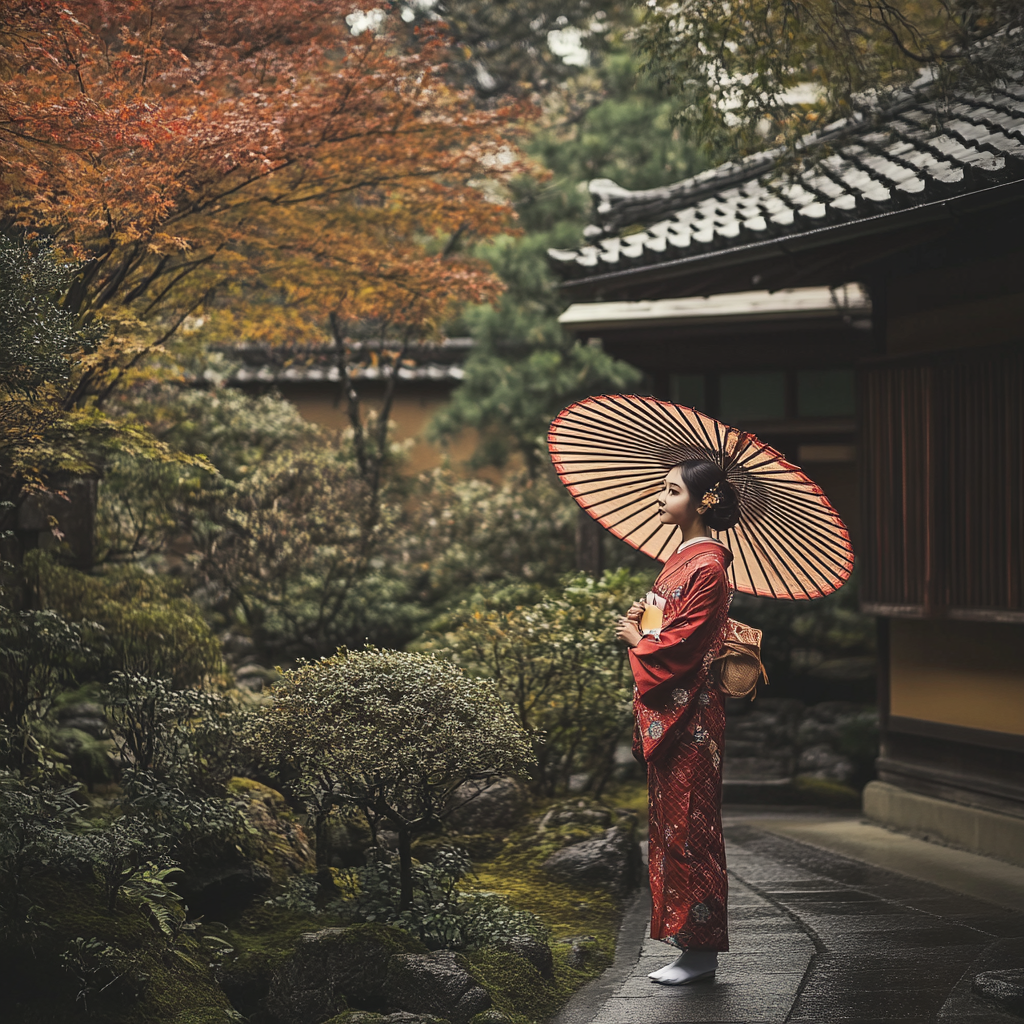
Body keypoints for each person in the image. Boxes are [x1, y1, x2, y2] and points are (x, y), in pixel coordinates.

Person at [615, 458, 740, 986]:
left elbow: (681, 646)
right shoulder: (682, 560)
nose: (660, 499)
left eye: (671, 491)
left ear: (703, 501)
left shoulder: (707, 565)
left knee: (690, 828)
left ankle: (702, 951)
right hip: (677, 710)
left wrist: (638, 639)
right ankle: (689, 945)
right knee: (672, 826)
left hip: (690, 714)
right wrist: (643, 625)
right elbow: (664, 625)